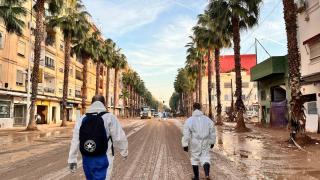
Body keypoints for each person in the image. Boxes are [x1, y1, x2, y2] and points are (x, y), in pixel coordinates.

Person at [68, 95, 128, 180]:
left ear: (92, 104)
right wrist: (124, 152)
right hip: (105, 157)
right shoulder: (110, 117)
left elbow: (75, 140)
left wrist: (72, 159)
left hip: (87, 158)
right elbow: (119, 137)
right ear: (104, 104)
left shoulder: (82, 119)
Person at [182, 103, 216, 180]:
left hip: (195, 142)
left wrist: (185, 144)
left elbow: (186, 134)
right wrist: (212, 142)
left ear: (193, 109)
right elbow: (213, 132)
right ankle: (207, 174)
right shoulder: (208, 120)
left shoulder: (189, 120)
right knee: (205, 157)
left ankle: (196, 177)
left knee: (194, 159)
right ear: (200, 108)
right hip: (205, 141)